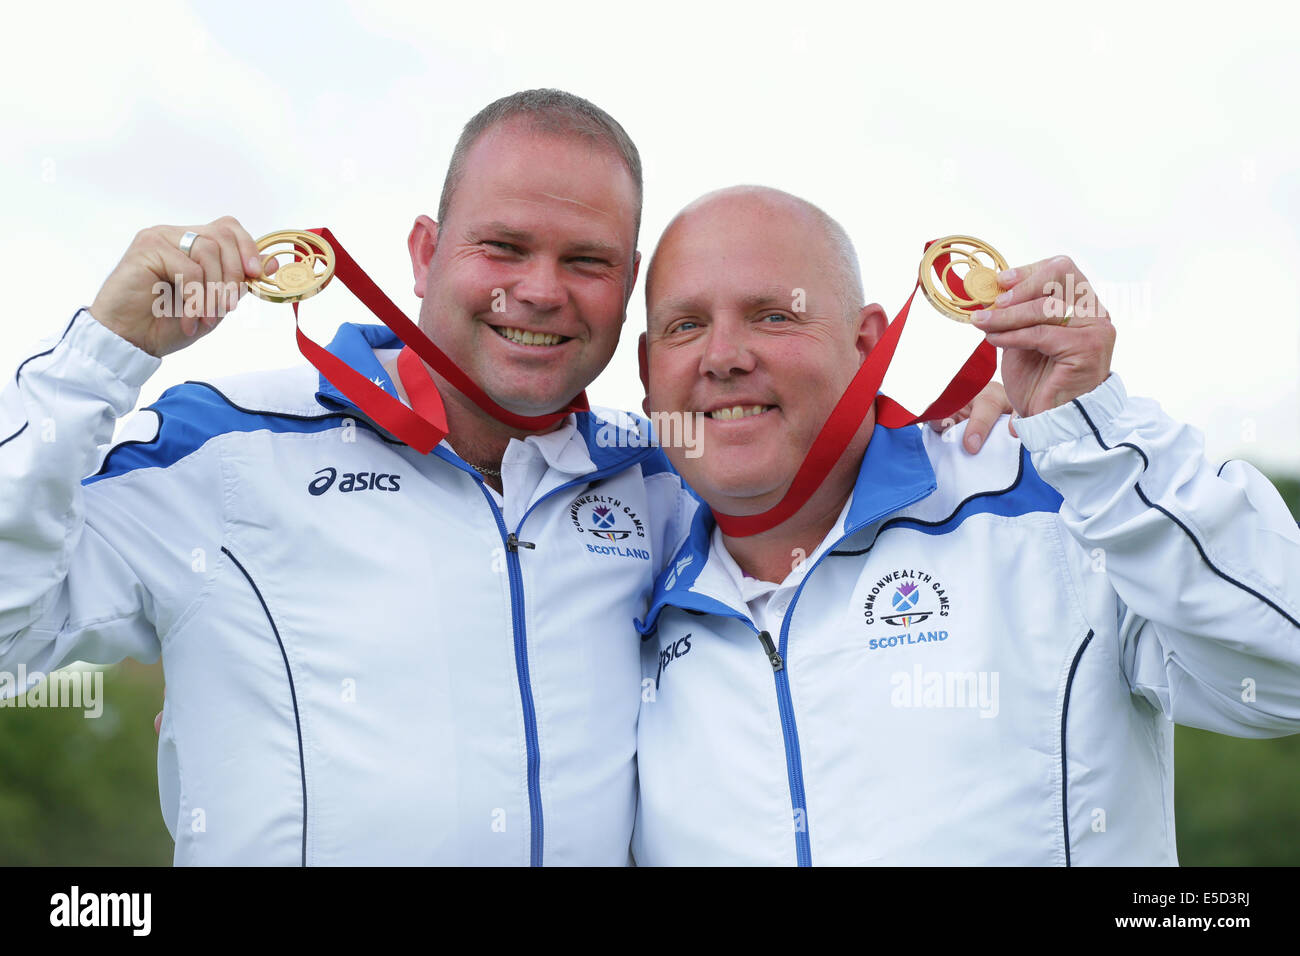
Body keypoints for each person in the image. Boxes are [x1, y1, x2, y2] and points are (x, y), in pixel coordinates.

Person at [0, 90, 1010, 866]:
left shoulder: (661, 481)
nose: (539, 289)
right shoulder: (226, 448)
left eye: (587, 259)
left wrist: (987, 419)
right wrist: (104, 353)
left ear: (628, 294)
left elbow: (819, 461)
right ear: (425, 253)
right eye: (503, 246)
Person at [631, 185, 1300, 865]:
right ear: (647, 372)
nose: (723, 356)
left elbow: (1286, 674)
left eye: (772, 316)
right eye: (685, 326)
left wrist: (1091, 437)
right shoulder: (621, 579)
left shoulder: (1049, 506)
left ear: (866, 343)